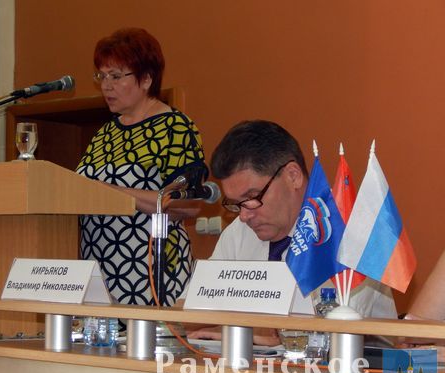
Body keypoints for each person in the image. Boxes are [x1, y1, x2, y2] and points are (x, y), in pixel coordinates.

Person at [186, 120, 397, 344]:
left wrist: (256, 335)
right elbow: (189, 312)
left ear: (293, 176)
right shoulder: (239, 232)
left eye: (252, 197)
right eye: (236, 204)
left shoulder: (348, 231)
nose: (244, 215)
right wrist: (251, 334)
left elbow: (337, 328)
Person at [76, 28, 205, 308]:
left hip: (151, 270)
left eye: (115, 76)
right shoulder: (104, 134)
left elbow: (189, 205)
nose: (106, 85)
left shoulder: (175, 127)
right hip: (97, 272)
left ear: (146, 79)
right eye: (101, 76)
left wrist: (108, 191)